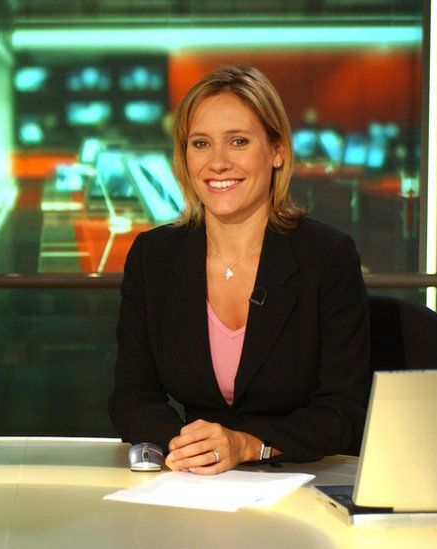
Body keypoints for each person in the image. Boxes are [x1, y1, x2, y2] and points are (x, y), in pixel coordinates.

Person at [108, 65, 371, 474]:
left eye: (238, 141)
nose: (217, 163)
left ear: (277, 150)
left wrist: (248, 445)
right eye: (201, 143)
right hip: (193, 482)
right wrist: (189, 447)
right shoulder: (153, 256)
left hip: (299, 480)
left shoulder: (326, 256)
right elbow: (132, 396)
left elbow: (345, 411)